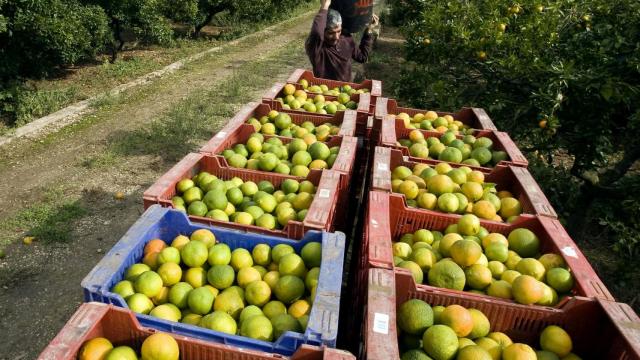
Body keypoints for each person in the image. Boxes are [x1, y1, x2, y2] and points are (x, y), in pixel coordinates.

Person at [305, 0, 379, 82]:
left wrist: (369, 31)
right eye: (331, 33)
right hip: (323, 92)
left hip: (345, 91)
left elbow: (362, 57)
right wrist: (324, 6)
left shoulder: (346, 39)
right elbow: (316, 33)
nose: (336, 37)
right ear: (323, 31)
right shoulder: (317, 47)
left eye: (338, 31)